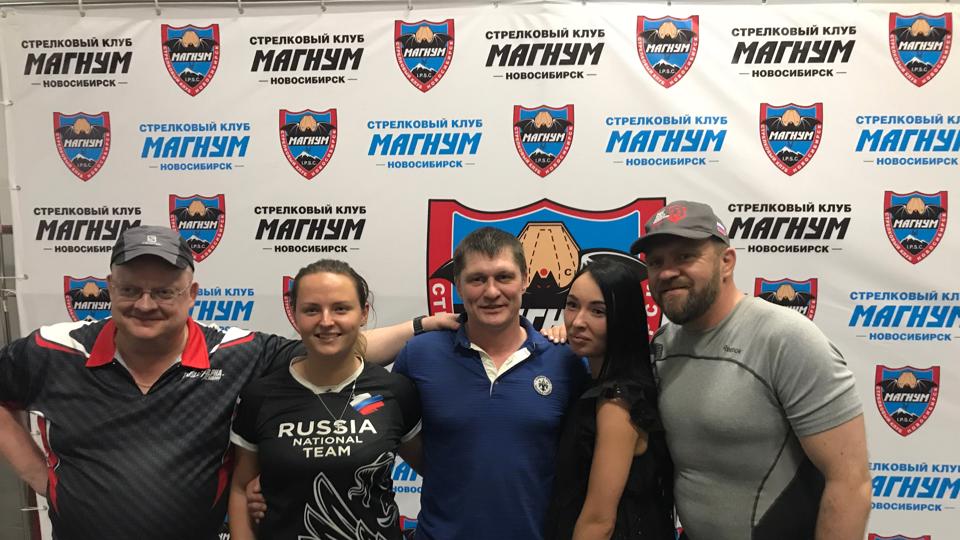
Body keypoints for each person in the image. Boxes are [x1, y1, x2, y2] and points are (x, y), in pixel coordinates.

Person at [0, 225, 454, 540]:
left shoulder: (237, 353)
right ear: (109, 288)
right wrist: (41, 477)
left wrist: (420, 325)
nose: (146, 304)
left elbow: (334, 347)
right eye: (131, 289)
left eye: (164, 291)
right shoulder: (54, 349)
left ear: (192, 294)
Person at [629, 201, 871, 540]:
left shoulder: (785, 338)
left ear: (726, 262)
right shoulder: (664, 343)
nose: (667, 273)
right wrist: (565, 334)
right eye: (656, 262)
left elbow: (850, 482)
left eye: (685, 257)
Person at [391, 226, 590, 540]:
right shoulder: (419, 355)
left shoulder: (566, 360)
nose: (492, 291)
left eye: (504, 277)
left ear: (525, 280)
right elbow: (402, 437)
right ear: (458, 285)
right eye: (477, 279)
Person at [228, 259, 422, 539]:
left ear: (363, 313)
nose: (326, 321)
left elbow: (435, 472)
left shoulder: (395, 391)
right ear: (294, 315)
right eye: (312, 310)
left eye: (341, 308)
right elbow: (240, 488)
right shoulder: (259, 397)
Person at [544, 258, 674, 540]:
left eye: (598, 311)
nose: (577, 322)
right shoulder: (595, 384)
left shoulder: (616, 401)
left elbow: (599, 522)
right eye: (572, 305)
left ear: (623, 319)